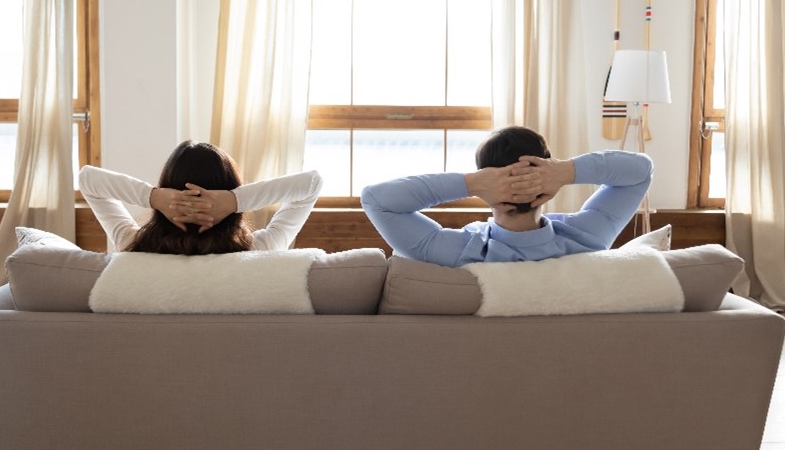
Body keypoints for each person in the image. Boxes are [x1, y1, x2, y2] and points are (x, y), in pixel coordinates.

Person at [360, 126, 653, 267]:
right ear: (546, 175)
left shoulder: (457, 252)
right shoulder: (587, 238)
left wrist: (472, 184)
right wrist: (565, 172)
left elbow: (376, 199)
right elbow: (641, 171)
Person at [80, 141, 322, 255]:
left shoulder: (131, 243)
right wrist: (233, 201)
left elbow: (88, 180)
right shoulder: (261, 248)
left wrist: (154, 197)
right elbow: (311, 184)